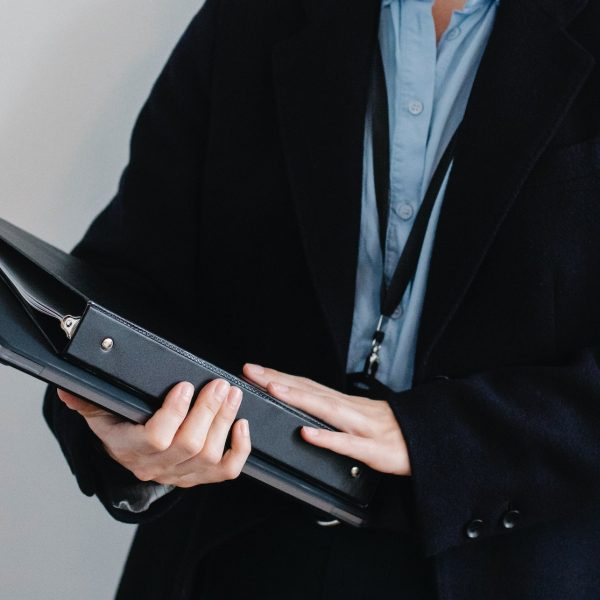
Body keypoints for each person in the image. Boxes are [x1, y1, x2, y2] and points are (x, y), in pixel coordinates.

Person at [43, 0, 600, 597]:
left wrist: (435, 438)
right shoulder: (251, 17)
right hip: (232, 547)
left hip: (509, 563)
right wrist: (118, 435)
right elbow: (123, 280)